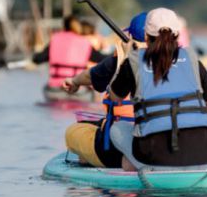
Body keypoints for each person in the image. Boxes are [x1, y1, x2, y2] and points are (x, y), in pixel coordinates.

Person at [63, 8, 207, 170]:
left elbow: (113, 97)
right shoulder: (191, 59)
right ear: (178, 35)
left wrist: (124, 61)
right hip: (202, 157)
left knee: (116, 129)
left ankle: (134, 164)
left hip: (153, 156)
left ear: (147, 36)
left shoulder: (133, 62)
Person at [62, 12, 147, 168]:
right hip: (162, 143)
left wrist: (74, 81)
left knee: (72, 132)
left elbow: (89, 76)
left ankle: (92, 158)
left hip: (117, 149)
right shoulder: (176, 63)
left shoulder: (119, 61)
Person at [32, 14, 107, 94]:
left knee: (46, 88)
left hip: (55, 88)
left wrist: (34, 56)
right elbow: (101, 59)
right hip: (78, 89)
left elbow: (37, 59)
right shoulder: (84, 42)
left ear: (64, 26)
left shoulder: (55, 39)